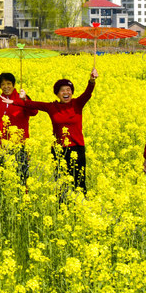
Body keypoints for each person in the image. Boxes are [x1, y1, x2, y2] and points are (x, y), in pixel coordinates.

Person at [23, 69, 98, 197]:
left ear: (72, 93)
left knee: (79, 181)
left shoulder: (77, 104)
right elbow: (34, 104)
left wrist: (92, 80)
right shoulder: (52, 107)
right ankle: (62, 209)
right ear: (57, 93)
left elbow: (87, 93)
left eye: (68, 90)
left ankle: (82, 207)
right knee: (61, 183)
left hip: (77, 148)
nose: (66, 92)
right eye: (62, 90)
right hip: (58, 150)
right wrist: (22, 98)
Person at [0, 72, 38, 183]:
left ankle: (23, 198)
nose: (6, 86)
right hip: (2, 145)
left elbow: (34, 112)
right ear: (0, 86)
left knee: (22, 177)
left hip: (20, 145)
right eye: (3, 84)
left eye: (9, 83)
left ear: (14, 84)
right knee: (4, 177)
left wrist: (24, 100)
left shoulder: (22, 99)